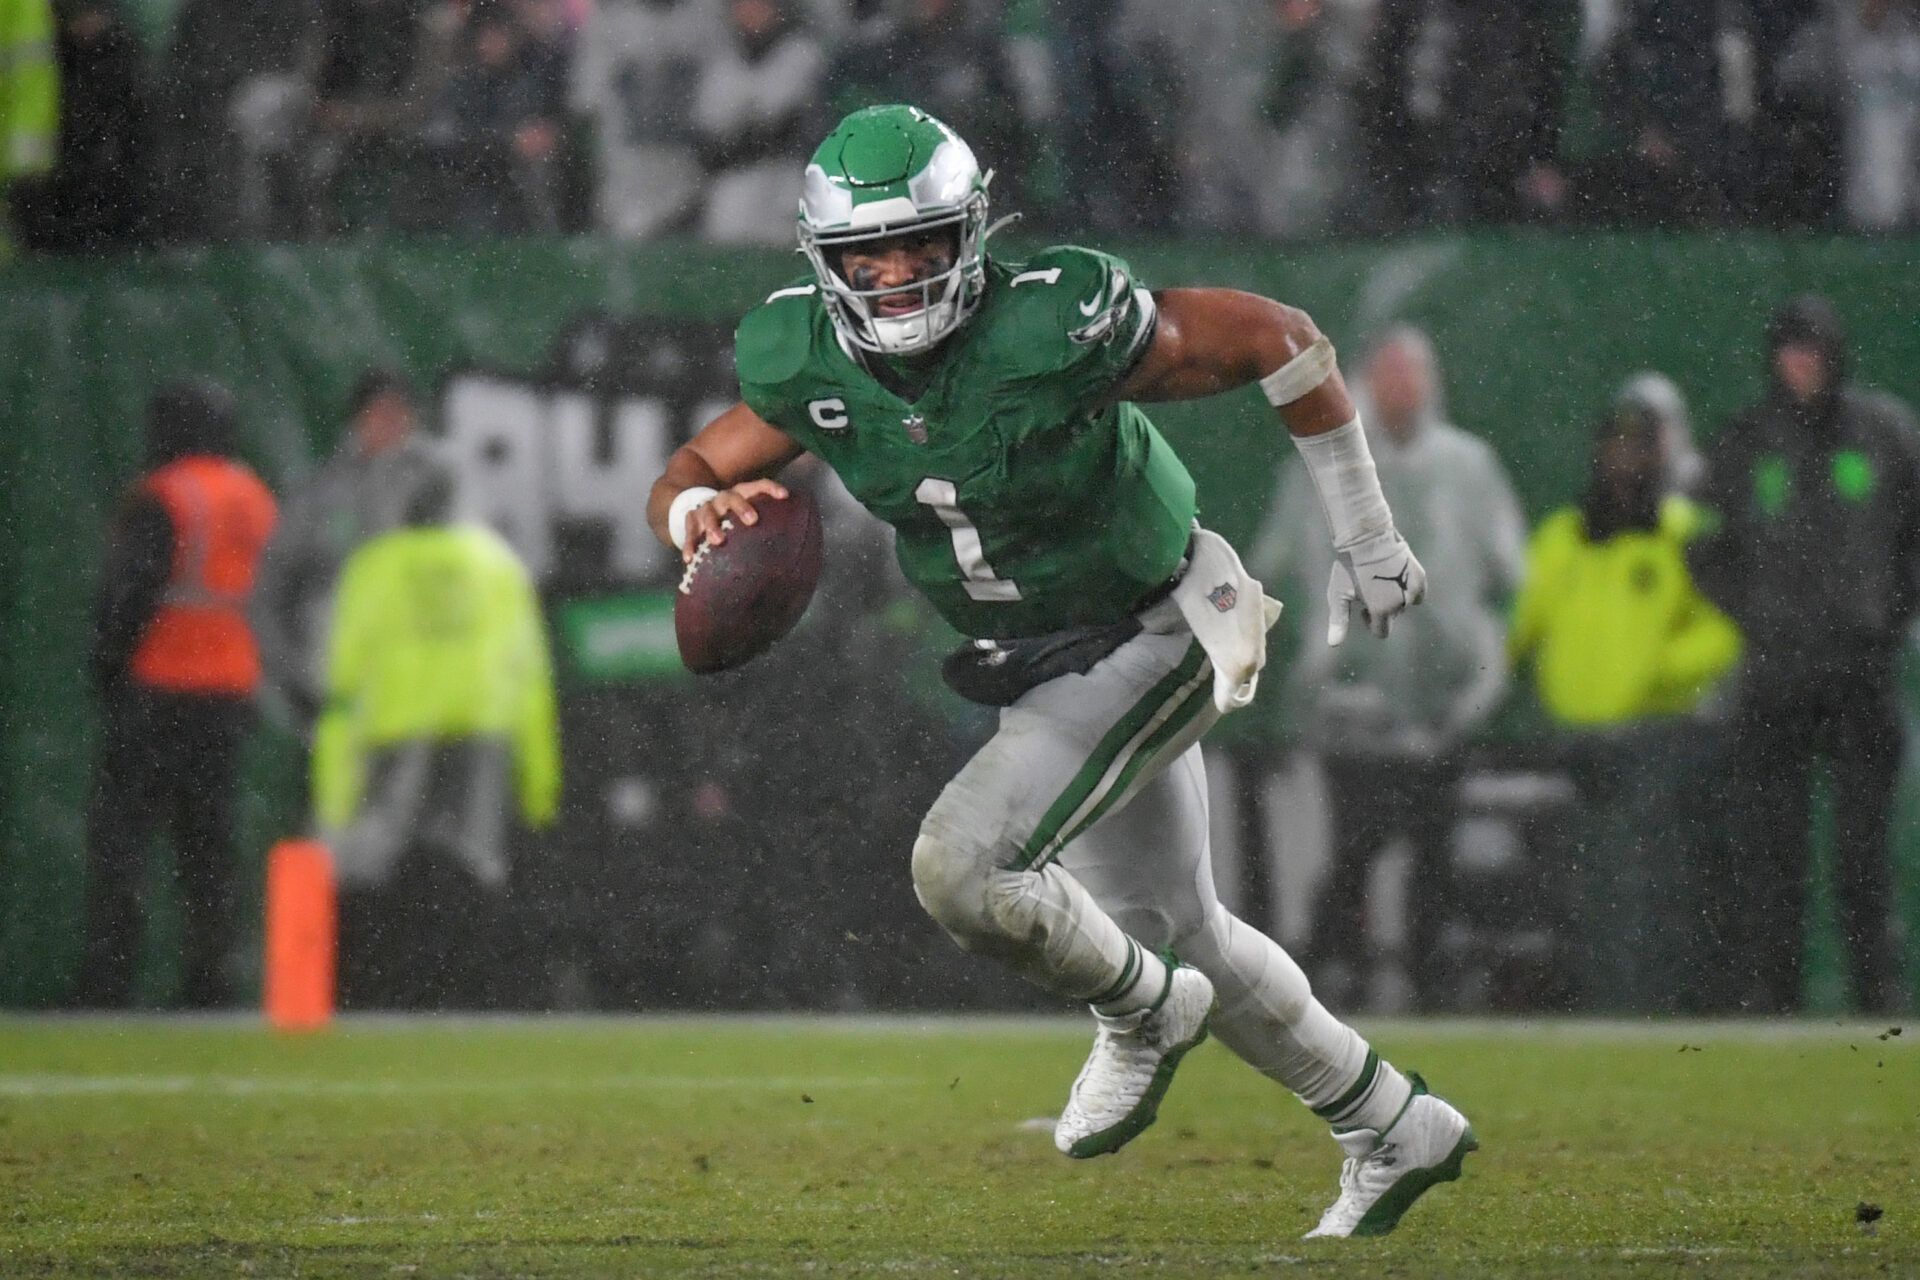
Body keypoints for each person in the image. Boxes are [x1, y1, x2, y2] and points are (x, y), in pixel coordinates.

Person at [647, 104, 1475, 1239]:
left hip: (1160, 622)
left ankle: (1140, 1013)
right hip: (1033, 660)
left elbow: (1280, 337)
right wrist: (698, 510)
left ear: (970, 238)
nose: (893, 278)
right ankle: (1390, 1121)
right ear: (824, 261)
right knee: (1183, 923)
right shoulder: (802, 356)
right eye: (867, 255)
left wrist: (1368, 533)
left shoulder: (1051, 323)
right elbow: (693, 465)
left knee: (961, 866)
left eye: (920, 247)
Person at [1250, 326, 1526, 1012]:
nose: (1405, 387)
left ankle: (1425, 972)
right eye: (1392, 372)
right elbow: (1273, 563)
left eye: (1416, 372)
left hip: (1443, 700)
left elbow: (1511, 570)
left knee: (1433, 842)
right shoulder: (1324, 466)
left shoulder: (1469, 466)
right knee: (1359, 838)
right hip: (1353, 700)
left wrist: (1479, 660)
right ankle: (1328, 967)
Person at [1690, 295, 1920, 1014]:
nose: (1800, 366)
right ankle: (1776, 994)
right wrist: (1756, 615)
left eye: (1812, 350)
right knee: (1773, 850)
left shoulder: (1884, 435)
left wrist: (1887, 614)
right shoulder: (1745, 441)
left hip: (1861, 674)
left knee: (1861, 851)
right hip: (1776, 678)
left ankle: (1873, 996)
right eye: (1789, 351)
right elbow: (1704, 545)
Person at [1507, 402, 1742, 1010]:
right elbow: (1518, 623)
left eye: (1638, 448)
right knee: (1574, 888)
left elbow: (1722, 630)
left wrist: (1658, 678)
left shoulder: (1681, 531)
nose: (1623, 461)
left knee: (1646, 886)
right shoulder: (1564, 535)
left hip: (1654, 745)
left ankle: (1645, 1000)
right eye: (1614, 446)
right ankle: (1586, 1001)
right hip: (1572, 746)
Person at [311, 473, 559, 1008]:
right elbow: (531, 681)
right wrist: (539, 783)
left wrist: (333, 793)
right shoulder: (496, 564)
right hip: (480, 738)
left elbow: (342, 685)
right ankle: (470, 998)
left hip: (394, 738)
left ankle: (389, 996)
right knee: (471, 878)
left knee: (383, 879)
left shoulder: (375, 565)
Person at [75, 380, 278, 1007]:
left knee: (124, 844)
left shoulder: (169, 496)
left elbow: (129, 595)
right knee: (209, 849)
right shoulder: (254, 498)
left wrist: (107, 666)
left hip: (160, 687)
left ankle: (108, 986)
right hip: (229, 695)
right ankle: (210, 984)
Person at [251, 368, 453, 741]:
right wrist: (294, 674)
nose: (391, 424)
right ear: (357, 420)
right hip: (334, 688)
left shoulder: (440, 487)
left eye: (401, 413)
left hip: (418, 688)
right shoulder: (322, 491)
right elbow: (274, 585)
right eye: (379, 412)